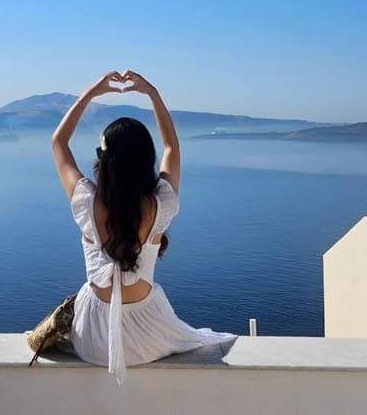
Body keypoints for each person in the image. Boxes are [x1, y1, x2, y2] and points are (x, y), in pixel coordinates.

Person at [51, 70, 236, 381]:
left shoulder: (86, 202)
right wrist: (152, 93)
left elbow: (58, 142)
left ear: (103, 160)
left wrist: (91, 94)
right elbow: (172, 148)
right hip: (148, 338)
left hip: (93, 340)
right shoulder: (160, 204)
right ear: (145, 159)